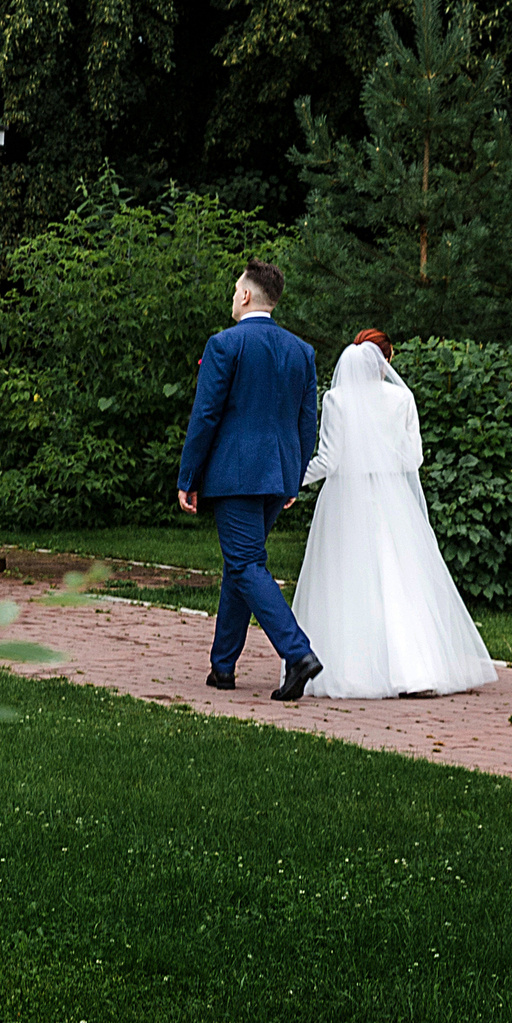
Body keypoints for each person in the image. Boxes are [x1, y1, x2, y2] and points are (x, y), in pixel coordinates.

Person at [292, 332, 497, 699]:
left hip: (345, 500)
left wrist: (291, 482)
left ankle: (354, 670)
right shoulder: (402, 398)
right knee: (398, 579)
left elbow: (329, 460)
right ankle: (416, 670)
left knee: (348, 581)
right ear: (386, 360)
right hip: (391, 500)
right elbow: (412, 459)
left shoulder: (337, 399)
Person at [176, 259, 323, 700]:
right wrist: (293, 478)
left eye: (234, 288)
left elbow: (206, 416)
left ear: (245, 295)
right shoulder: (301, 350)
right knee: (239, 566)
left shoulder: (225, 345)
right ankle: (223, 666)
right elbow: (306, 421)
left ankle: (298, 653)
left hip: (236, 475)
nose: (232, 294)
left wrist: (189, 475)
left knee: (244, 565)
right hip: (276, 475)